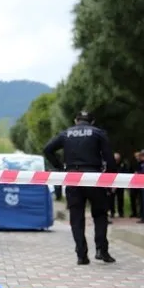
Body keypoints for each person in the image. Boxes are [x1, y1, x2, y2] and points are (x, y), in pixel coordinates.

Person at [43, 110, 116, 265]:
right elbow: (109, 157)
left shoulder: (66, 134)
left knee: (77, 217)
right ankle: (101, 250)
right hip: (94, 177)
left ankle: (81, 255)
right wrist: (110, 178)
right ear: (92, 121)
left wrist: (60, 167)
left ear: (76, 120)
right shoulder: (98, 133)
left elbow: (47, 149)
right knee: (100, 214)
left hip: (73, 177)